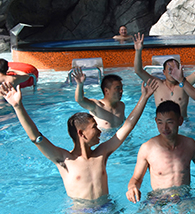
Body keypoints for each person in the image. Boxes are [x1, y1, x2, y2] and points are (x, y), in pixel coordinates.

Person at [0, 79, 157, 200]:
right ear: (81, 133)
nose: (99, 131)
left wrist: (144, 97)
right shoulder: (64, 160)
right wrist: (18, 107)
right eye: (94, 127)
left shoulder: (102, 153)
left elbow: (128, 126)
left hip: (107, 209)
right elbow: (36, 137)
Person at [126, 100, 195, 203]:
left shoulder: (189, 145)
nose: (165, 128)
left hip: (184, 197)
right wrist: (132, 187)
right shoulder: (147, 148)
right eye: (160, 122)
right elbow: (136, 178)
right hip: (158, 198)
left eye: (170, 122)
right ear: (156, 121)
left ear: (180, 121)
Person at [133, 32, 195, 118]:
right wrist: (138, 51)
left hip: (182, 124)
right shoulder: (157, 85)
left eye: (175, 69)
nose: (173, 72)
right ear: (164, 72)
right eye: (170, 69)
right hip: (162, 123)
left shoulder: (184, 84)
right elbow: (138, 71)